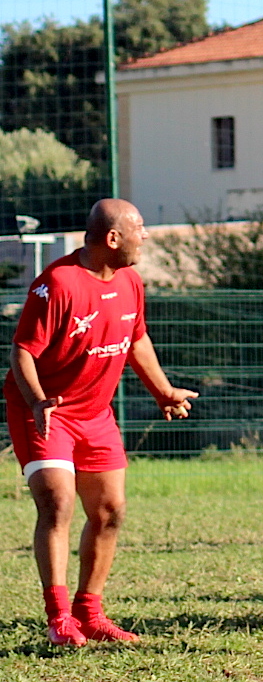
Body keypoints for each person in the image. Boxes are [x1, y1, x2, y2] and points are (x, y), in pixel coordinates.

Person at [5, 199, 198, 647]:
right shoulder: (58, 283)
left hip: (95, 416)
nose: (145, 236)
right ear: (113, 238)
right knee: (57, 504)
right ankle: (59, 620)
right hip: (45, 410)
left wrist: (163, 391)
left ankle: (90, 613)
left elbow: (137, 338)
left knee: (110, 512)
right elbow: (22, 352)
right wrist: (36, 401)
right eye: (140, 228)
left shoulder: (130, 281)